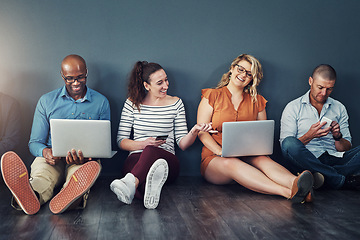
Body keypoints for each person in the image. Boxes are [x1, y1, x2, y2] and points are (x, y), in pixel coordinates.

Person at [1, 54, 111, 215]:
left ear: (86, 73)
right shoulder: (46, 101)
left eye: (80, 77)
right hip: (52, 157)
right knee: (42, 176)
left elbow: (104, 144)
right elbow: (35, 142)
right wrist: (45, 152)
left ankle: (72, 196)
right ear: (62, 76)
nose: (75, 83)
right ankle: (31, 194)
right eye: (69, 78)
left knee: (78, 176)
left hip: (84, 160)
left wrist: (90, 157)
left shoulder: (101, 102)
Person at [197, 54, 314, 203]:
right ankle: (288, 192)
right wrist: (220, 151)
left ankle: (297, 183)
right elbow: (202, 133)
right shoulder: (212, 95)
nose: (243, 75)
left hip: (247, 156)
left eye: (249, 73)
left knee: (263, 159)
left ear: (252, 78)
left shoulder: (257, 101)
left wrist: (256, 151)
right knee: (231, 162)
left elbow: (261, 135)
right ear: (232, 69)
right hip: (215, 160)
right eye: (240, 69)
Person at [110, 61, 212, 209]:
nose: (166, 85)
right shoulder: (131, 104)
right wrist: (143, 144)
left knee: (151, 152)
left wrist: (194, 130)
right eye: (160, 83)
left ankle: (130, 183)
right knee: (141, 164)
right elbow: (121, 141)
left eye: (166, 80)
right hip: (136, 158)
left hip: (167, 163)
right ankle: (144, 190)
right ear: (147, 86)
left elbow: (182, 144)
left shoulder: (176, 103)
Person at [280, 64, 360, 190]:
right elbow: (286, 149)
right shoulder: (293, 107)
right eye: (320, 87)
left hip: (335, 158)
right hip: (307, 160)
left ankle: (323, 176)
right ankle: (339, 179)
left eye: (329, 89)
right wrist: (309, 136)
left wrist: (337, 137)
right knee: (289, 143)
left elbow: (346, 147)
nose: (324, 93)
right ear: (310, 81)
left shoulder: (339, 107)